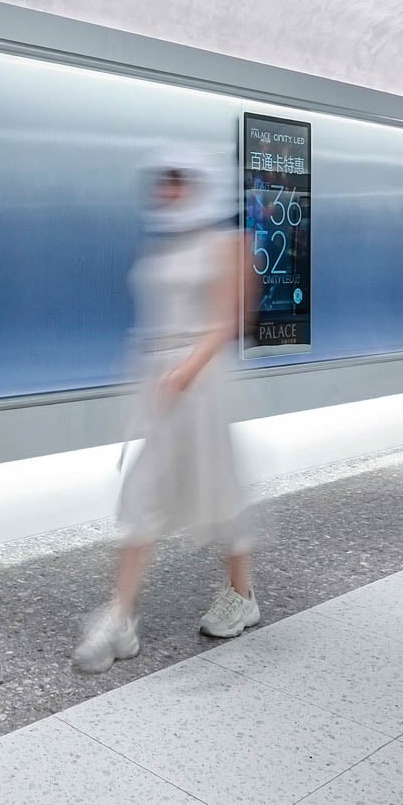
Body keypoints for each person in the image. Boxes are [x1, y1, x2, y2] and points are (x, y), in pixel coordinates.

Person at [73, 153, 261, 673]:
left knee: (217, 487)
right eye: (164, 184)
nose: (169, 193)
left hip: (199, 385)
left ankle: (240, 594)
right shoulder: (162, 244)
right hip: (161, 381)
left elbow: (226, 321)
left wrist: (185, 371)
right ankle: (121, 615)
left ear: (201, 187)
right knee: (147, 491)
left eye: (179, 184)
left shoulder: (227, 244)